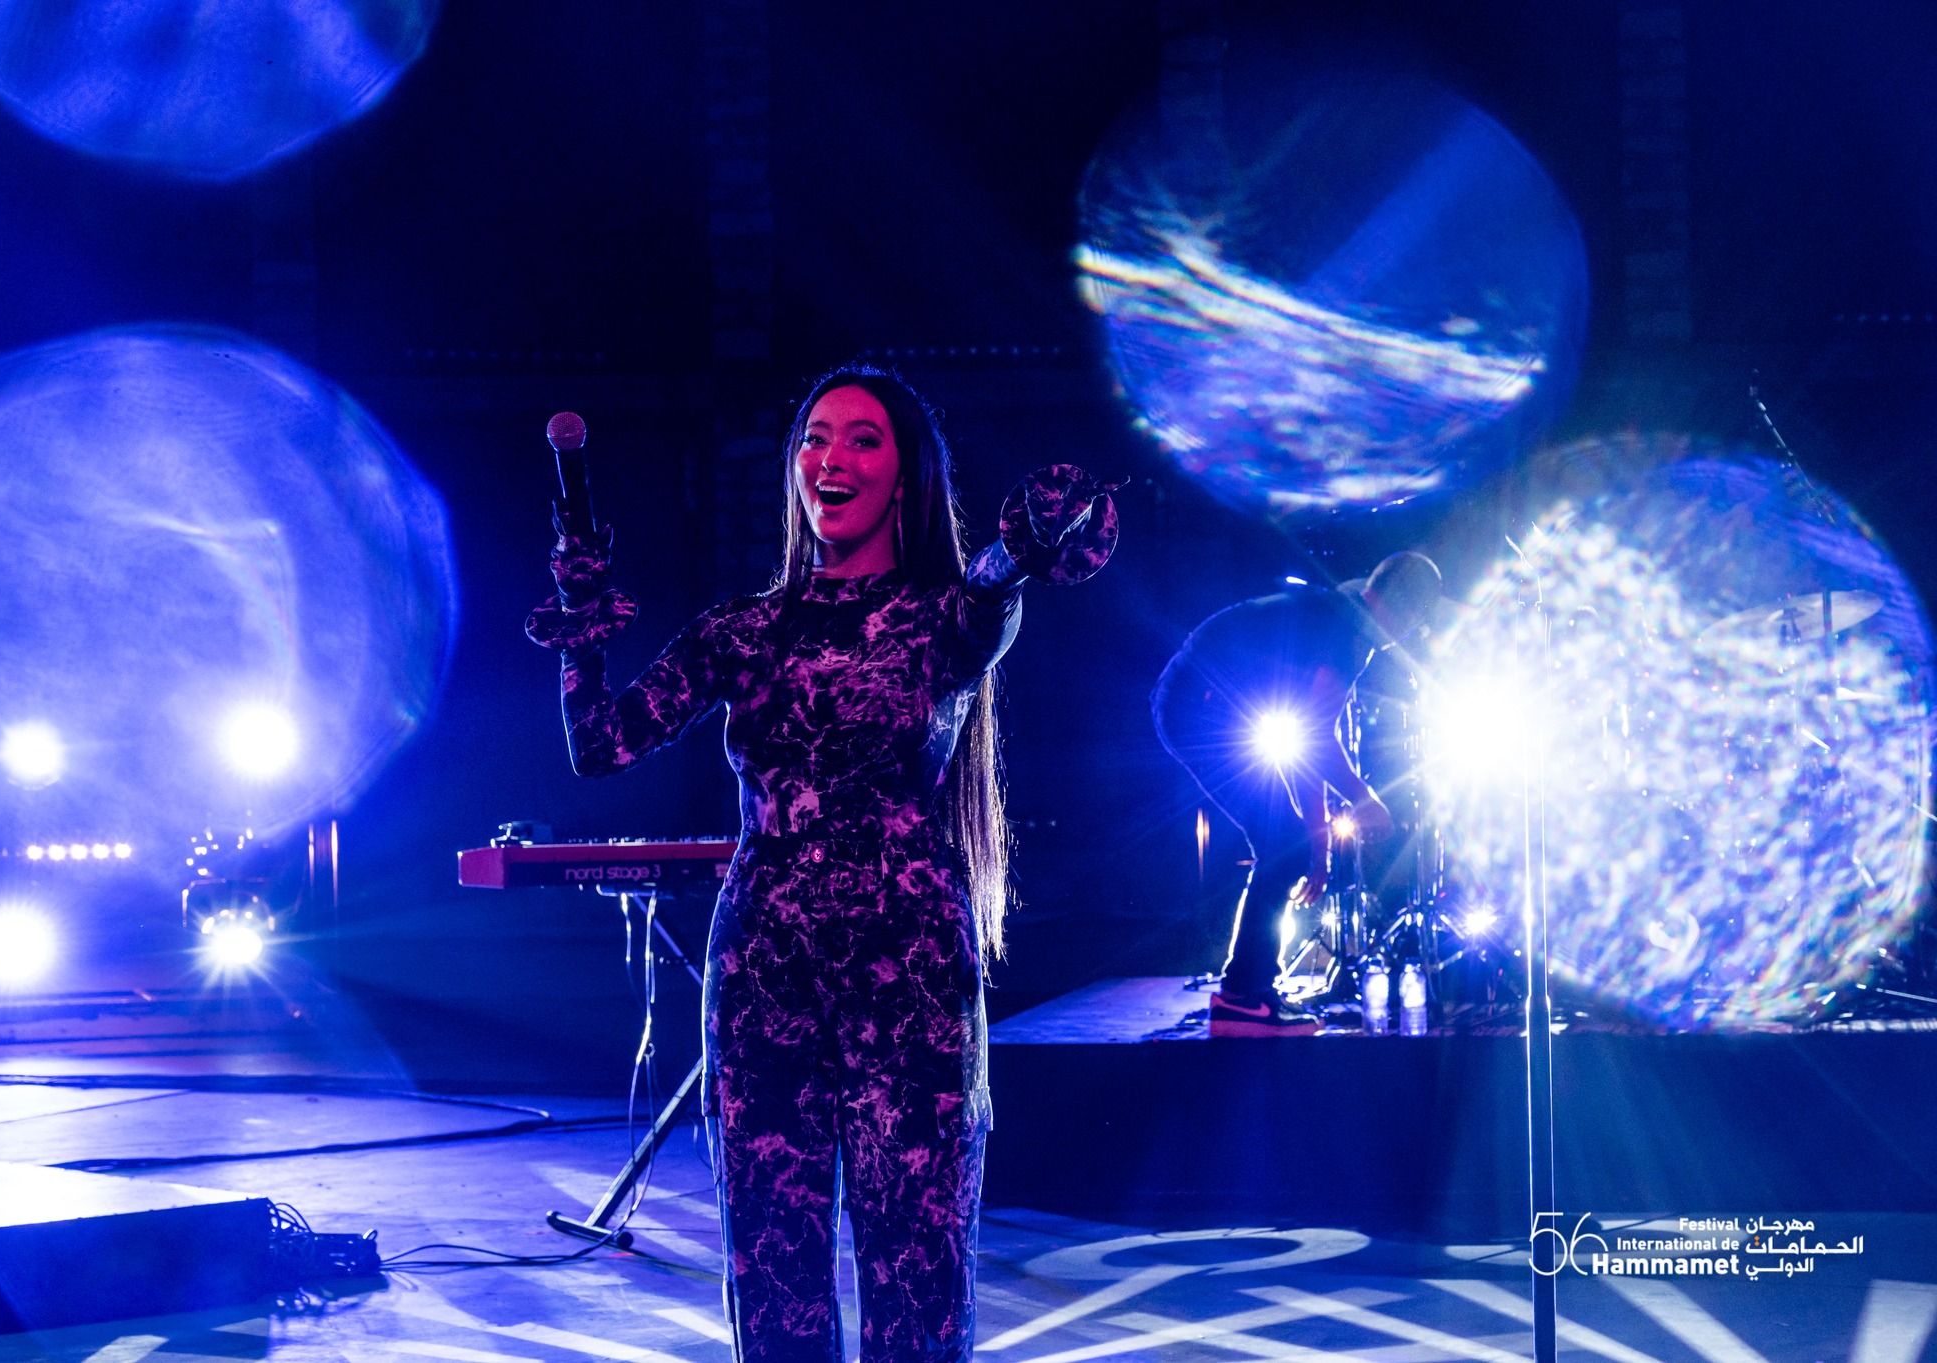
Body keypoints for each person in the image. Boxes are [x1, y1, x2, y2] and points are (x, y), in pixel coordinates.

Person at [525, 368, 1117, 1363]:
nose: (829, 459)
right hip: (763, 977)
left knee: (919, 1277)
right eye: (814, 437)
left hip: (909, 981)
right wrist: (578, 609)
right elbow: (599, 744)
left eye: (862, 440)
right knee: (771, 1279)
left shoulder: (947, 618)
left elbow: (994, 579)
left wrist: (1036, 535)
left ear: (906, 476)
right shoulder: (742, 631)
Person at [1151, 552, 1441, 1036]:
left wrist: (1317, 846)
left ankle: (1247, 994)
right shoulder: (1350, 632)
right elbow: (1318, 738)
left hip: (1194, 702)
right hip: (1198, 707)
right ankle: (1243, 997)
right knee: (1280, 844)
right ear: (1409, 612)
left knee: (1282, 842)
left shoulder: (1342, 616)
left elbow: (1307, 744)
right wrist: (1365, 798)